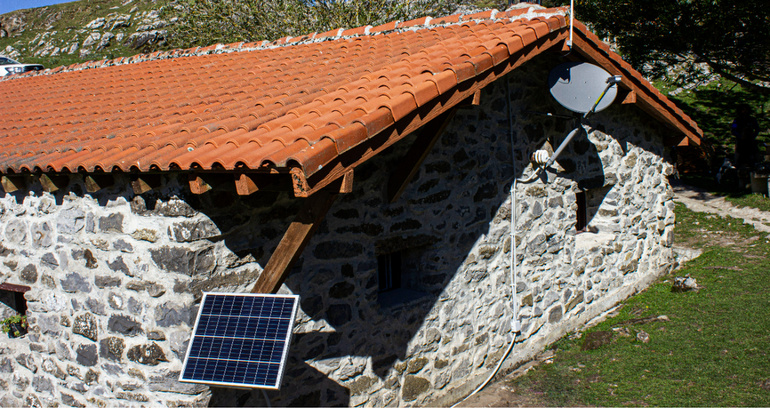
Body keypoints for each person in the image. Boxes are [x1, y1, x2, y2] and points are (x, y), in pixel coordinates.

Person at [730, 104, 760, 168]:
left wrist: (753, 135)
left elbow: (757, 129)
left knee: (753, 154)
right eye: (743, 110)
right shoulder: (737, 120)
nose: (744, 111)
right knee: (739, 155)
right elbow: (733, 130)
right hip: (741, 141)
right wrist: (740, 136)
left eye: (746, 109)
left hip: (750, 140)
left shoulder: (752, 119)